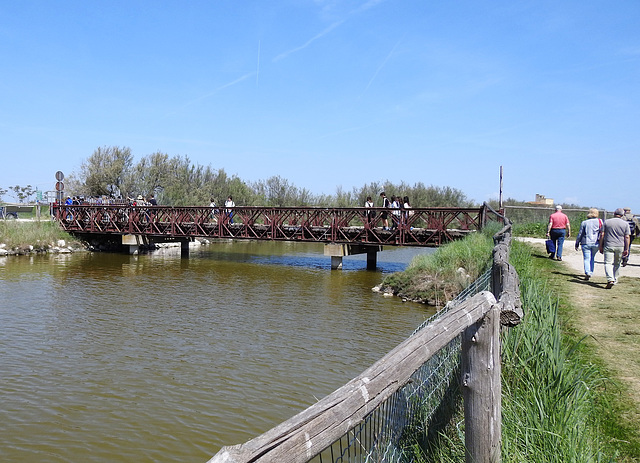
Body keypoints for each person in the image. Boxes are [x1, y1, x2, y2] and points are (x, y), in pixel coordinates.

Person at [599, 208, 631, 289]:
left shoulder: (607, 222)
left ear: (614, 213)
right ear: (622, 215)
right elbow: (627, 237)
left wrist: (600, 245)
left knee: (608, 263)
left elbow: (602, 234)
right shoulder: (625, 224)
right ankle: (615, 279)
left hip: (608, 244)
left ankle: (610, 279)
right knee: (617, 263)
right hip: (620, 246)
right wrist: (626, 248)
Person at [574, 208, 602, 280]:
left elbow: (580, 233)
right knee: (592, 258)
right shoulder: (600, 221)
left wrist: (577, 242)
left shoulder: (584, 222)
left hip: (585, 242)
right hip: (596, 242)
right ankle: (591, 272)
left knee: (586, 258)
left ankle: (587, 272)